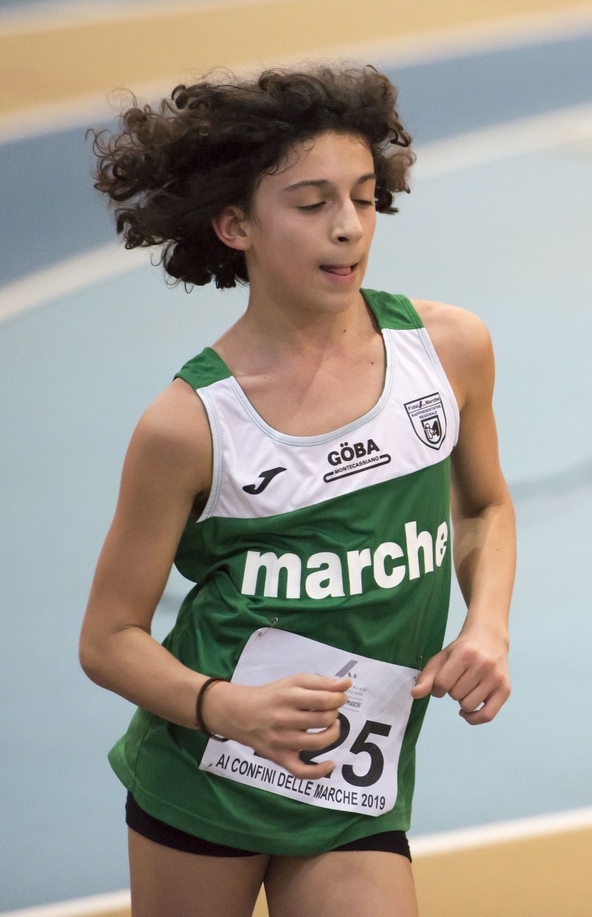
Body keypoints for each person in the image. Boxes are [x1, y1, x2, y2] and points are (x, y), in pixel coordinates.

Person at [78, 66, 515, 917]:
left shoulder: (449, 350)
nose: (349, 227)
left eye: (364, 198)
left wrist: (487, 624)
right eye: (312, 204)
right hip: (207, 782)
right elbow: (108, 638)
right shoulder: (189, 424)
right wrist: (226, 709)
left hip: (353, 793)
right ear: (235, 224)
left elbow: (484, 507)